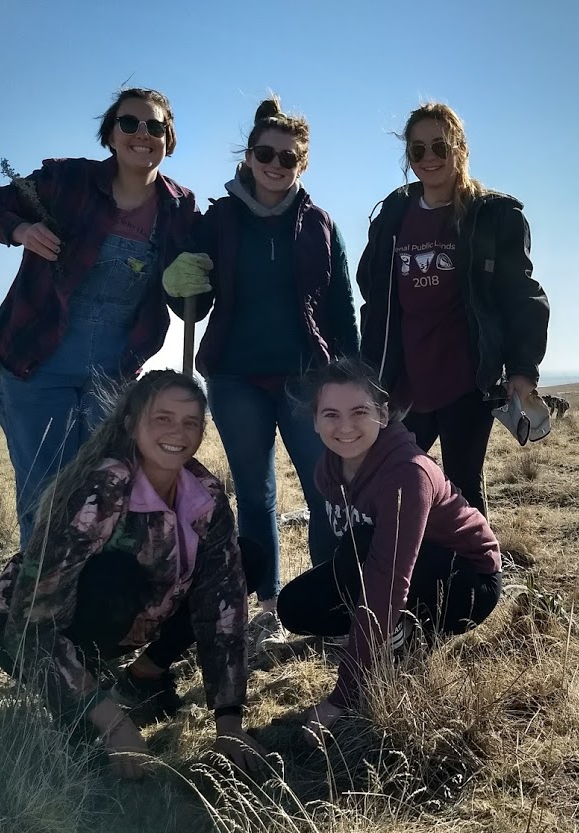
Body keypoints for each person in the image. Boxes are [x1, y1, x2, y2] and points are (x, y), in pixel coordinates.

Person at [0, 371, 263, 779]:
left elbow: (223, 602)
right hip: (46, 632)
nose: (179, 432)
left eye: (191, 422)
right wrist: (115, 725)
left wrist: (229, 723)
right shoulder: (99, 490)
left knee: (244, 560)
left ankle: (142, 678)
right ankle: (88, 698)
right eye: (163, 418)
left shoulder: (204, 493)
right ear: (132, 423)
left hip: (142, 620)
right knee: (115, 576)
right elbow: (30, 624)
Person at [162, 96, 358, 655]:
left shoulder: (320, 224)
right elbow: (188, 298)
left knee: (327, 492)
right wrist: (177, 284)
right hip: (236, 378)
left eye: (289, 158)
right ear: (247, 157)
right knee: (255, 494)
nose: (276, 164)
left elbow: (342, 307)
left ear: (303, 165)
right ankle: (268, 607)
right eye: (265, 153)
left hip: (305, 380)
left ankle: (332, 605)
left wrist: (356, 377)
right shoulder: (218, 220)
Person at [0, 88, 198, 550]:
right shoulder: (69, 180)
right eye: (129, 123)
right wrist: (21, 228)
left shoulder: (179, 206)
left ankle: (93, 611)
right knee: (44, 498)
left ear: (168, 138)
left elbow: (187, 301)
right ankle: (38, 613)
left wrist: (191, 282)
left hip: (113, 377)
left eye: (155, 126)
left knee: (106, 495)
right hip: (37, 367)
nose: (143, 134)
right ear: (110, 134)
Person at [274, 359, 502, 735]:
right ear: (314, 421)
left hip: (467, 581)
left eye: (359, 411)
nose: (345, 427)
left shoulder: (407, 475)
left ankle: (394, 647)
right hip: (391, 563)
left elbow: (387, 579)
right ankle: (388, 634)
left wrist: (342, 696)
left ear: (382, 413)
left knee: (359, 551)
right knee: (295, 606)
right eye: (331, 414)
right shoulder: (327, 471)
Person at [357, 102, 549, 517]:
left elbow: (522, 292)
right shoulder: (393, 217)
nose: (429, 159)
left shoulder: (492, 216)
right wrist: (368, 372)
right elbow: (374, 296)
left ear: (460, 149)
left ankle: (476, 577)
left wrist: (521, 368)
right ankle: (413, 577)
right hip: (405, 383)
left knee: (462, 489)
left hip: (467, 382)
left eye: (440, 147)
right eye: (418, 150)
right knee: (395, 485)